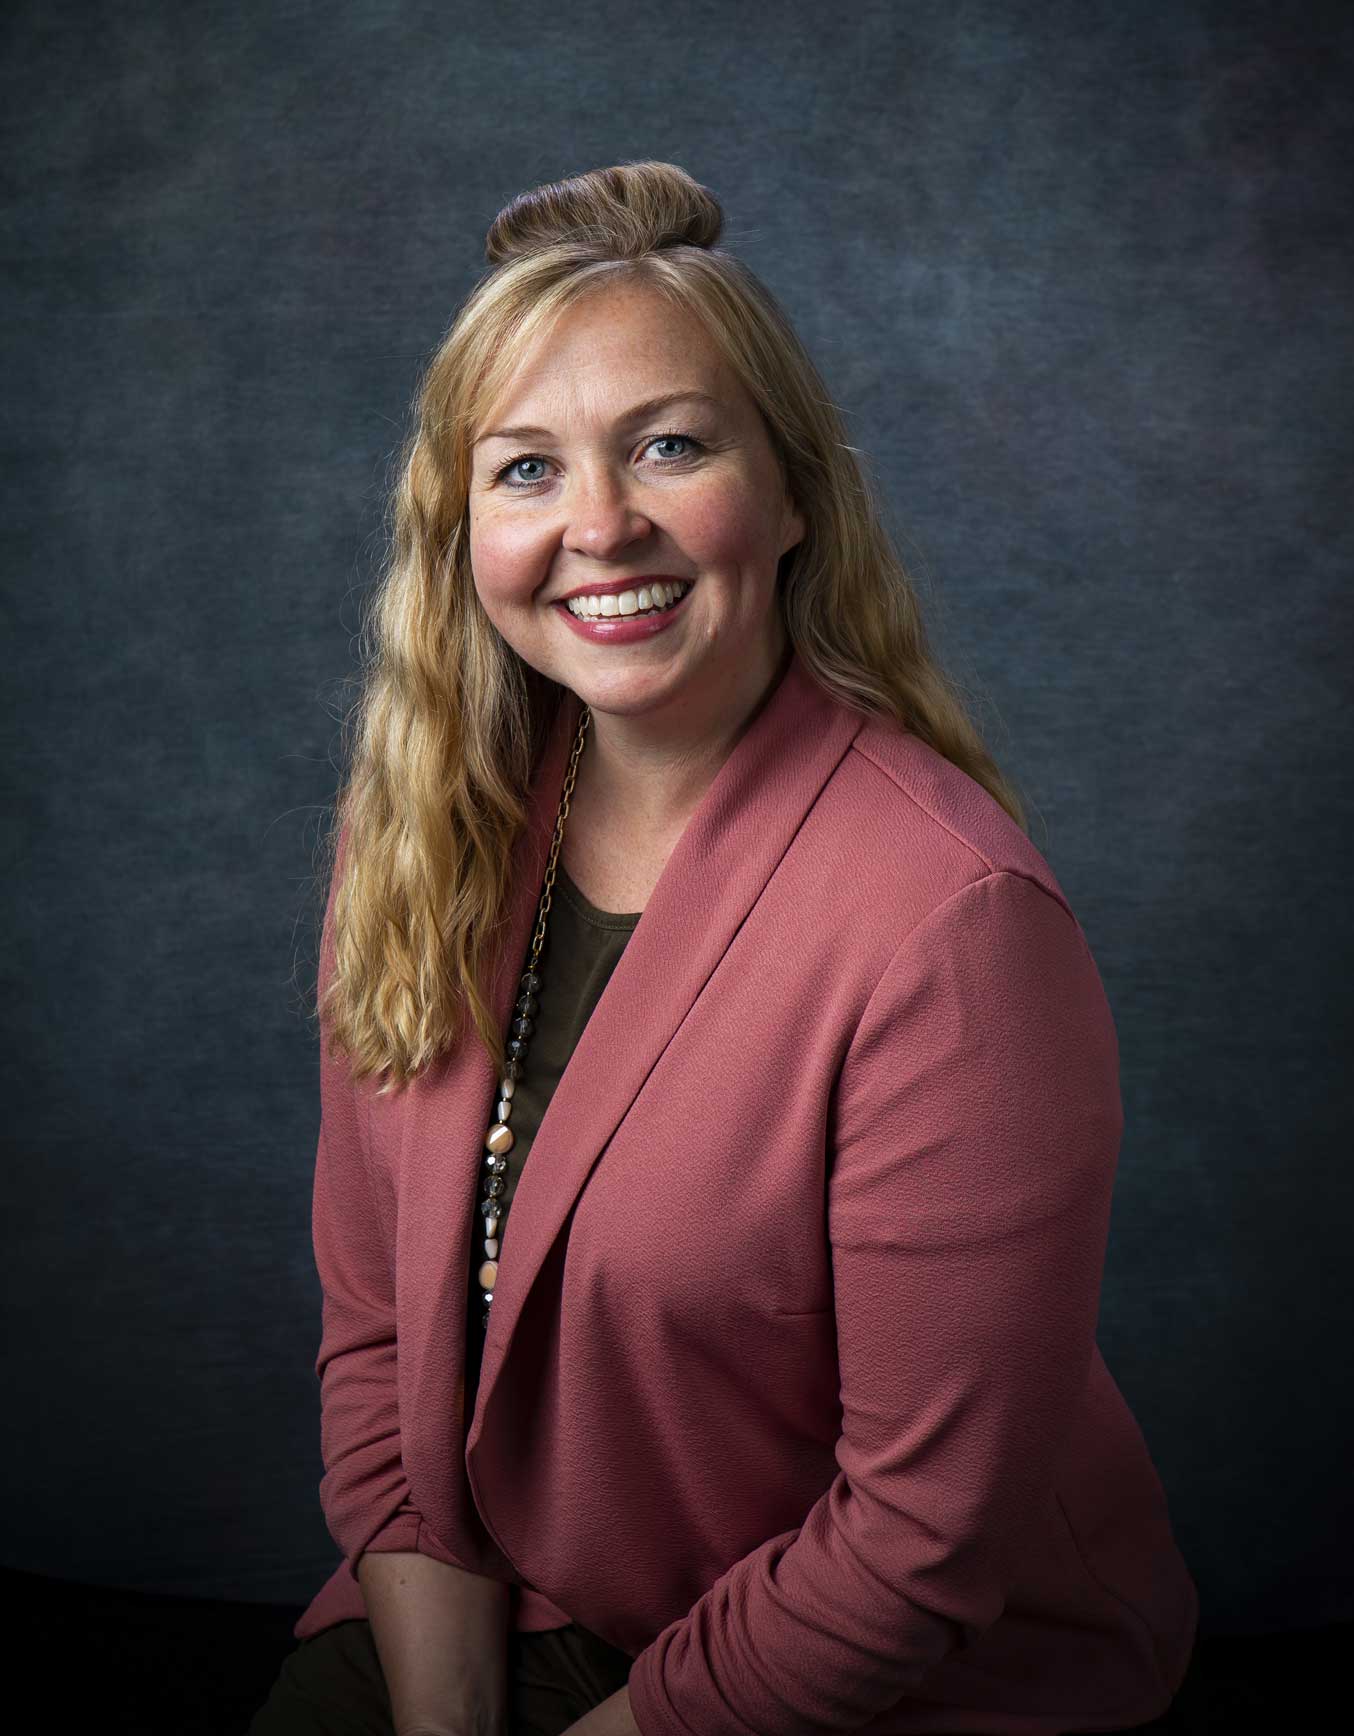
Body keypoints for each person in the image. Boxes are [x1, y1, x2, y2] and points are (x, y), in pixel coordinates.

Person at [249, 160, 1199, 1736]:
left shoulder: (952, 928)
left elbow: (912, 1546)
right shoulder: (418, 839)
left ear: (791, 490)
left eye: (669, 446)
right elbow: (383, 1355)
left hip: (896, 1673)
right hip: (523, 1593)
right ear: (458, 527)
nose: (599, 525)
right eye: (526, 469)